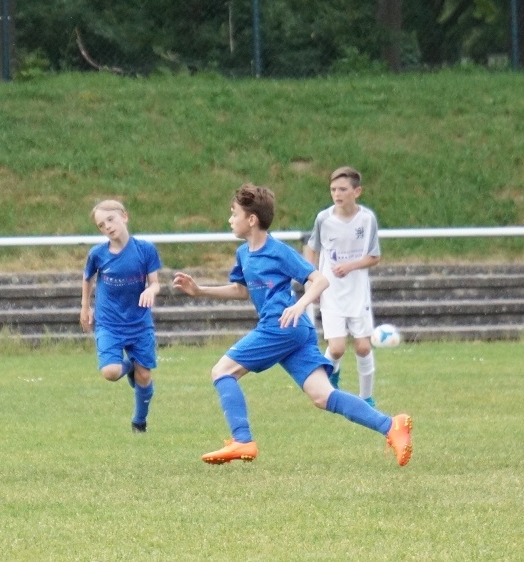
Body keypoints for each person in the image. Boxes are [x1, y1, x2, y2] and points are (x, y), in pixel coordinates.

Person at [172, 184, 412, 466]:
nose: (230, 219)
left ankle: (242, 439)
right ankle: (391, 426)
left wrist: (300, 305)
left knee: (222, 371)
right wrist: (200, 290)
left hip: (280, 326)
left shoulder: (277, 251)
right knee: (323, 396)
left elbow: (320, 280)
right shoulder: (244, 253)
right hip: (294, 331)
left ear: (252, 219)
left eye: (234, 214)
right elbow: (241, 290)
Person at [81, 199, 162, 433]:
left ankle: (139, 422)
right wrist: (85, 307)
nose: (107, 226)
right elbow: (87, 278)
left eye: (110, 219)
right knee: (110, 372)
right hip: (109, 323)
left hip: (139, 323)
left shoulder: (145, 250)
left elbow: (155, 283)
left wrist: (150, 290)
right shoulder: (98, 254)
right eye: (101, 225)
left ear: (124, 217)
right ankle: (130, 366)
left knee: (144, 375)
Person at [304, 166, 381, 406]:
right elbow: (311, 249)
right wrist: (313, 281)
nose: (337, 194)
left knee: (363, 347)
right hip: (331, 291)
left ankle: (366, 398)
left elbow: (374, 257)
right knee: (336, 348)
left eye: (343, 189)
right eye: (333, 189)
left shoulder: (367, 219)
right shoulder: (324, 219)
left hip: (358, 293)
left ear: (357, 192)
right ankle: (331, 379)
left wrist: (350, 266)